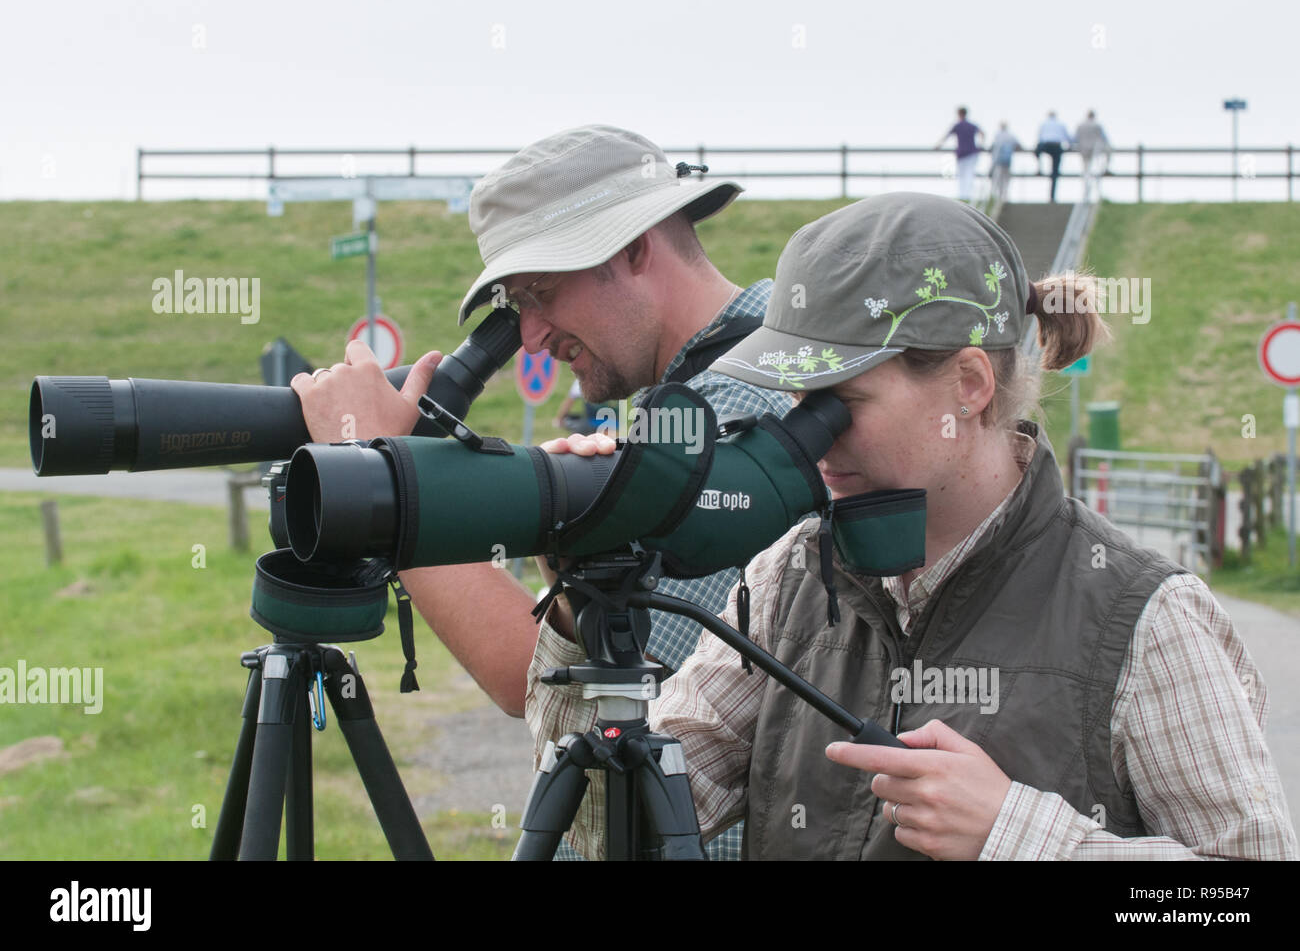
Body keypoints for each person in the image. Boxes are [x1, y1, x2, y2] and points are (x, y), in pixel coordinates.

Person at [527, 192, 1298, 860]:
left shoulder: (1144, 619)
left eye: (838, 403)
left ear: (968, 385)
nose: (809, 436)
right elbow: (606, 828)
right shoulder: (790, 575)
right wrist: (580, 602)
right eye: (796, 401)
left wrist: (1015, 832)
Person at [290, 124, 793, 861]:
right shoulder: (759, 372)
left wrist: (379, 474)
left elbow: (575, 688)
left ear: (633, 246)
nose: (527, 336)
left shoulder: (729, 420)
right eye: (511, 304)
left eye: (541, 291)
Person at [935, 107, 984, 203]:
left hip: (961, 154)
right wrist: (981, 145)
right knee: (969, 175)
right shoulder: (972, 125)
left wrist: (938, 145)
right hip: (972, 153)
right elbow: (982, 134)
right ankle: (968, 196)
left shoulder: (957, 126)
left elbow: (946, 136)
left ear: (959, 114)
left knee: (962, 176)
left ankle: (963, 196)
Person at [1034, 111, 1073, 202]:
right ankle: (1052, 197)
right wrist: (1070, 146)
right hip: (1056, 146)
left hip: (1045, 145)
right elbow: (1067, 138)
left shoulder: (1043, 124)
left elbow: (1039, 137)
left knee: (1037, 152)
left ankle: (1039, 168)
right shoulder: (1061, 124)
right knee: (1055, 173)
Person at [1074, 110, 1111, 190]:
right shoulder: (1097, 125)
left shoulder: (1080, 125)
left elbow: (1075, 138)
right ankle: (1105, 170)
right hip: (1095, 150)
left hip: (1084, 150)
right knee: (1096, 169)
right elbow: (1104, 138)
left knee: (1086, 170)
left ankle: (1086, 187)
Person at [987, 121, 1020, 205]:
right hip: (1007, 161)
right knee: (1006, 179)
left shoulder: (997, 135)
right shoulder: (1011, 136)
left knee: (997, 179)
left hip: (998, 161)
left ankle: (995, 196)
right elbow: (1018, 145)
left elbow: (993, 147)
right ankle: (1004, 197)